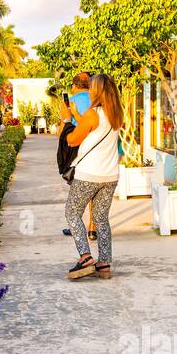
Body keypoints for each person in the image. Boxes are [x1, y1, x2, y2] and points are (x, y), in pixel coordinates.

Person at [63, 73, 124, 280]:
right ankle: (104, 263)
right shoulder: (116, 113)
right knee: (101, 218)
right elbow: (96, 131)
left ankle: (85, 257)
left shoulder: (92, 113)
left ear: (96, 90)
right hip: (110, 174)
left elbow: (72, 140)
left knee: (72, 213)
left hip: (89, 173)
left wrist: (66, 121)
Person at [58, 73, 95, 238]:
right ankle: (93, 227)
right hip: (95, 145)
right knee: (94, 187)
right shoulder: (96, 99)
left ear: (74, 85)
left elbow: (63, 128)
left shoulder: (71, 101)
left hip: (77, 144)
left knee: (78, 188)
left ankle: (76, 225)